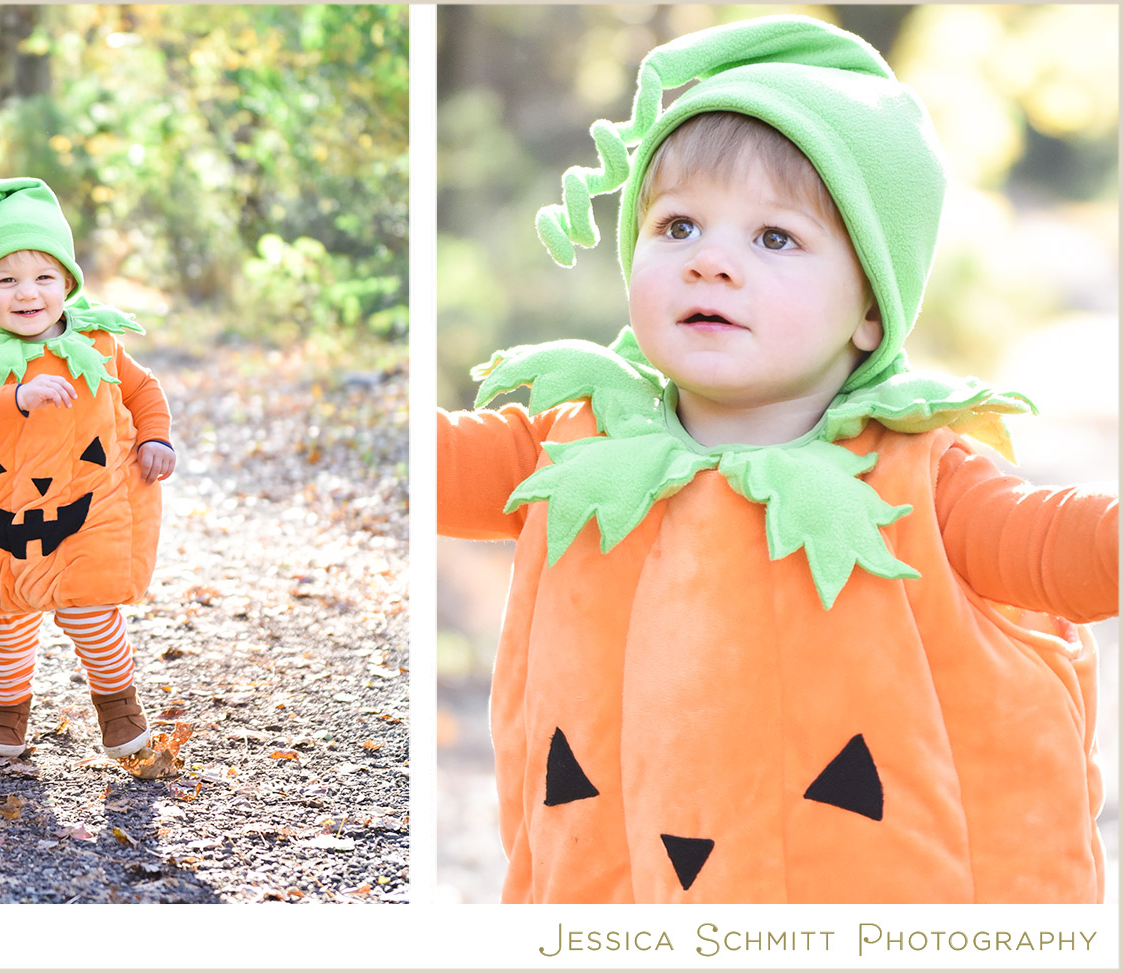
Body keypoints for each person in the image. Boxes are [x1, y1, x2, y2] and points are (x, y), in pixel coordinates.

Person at [438, 14, 1118, 903]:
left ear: (869, 310)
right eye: (677, 226)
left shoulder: (917, 475)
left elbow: (1053, 546)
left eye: (774, 238)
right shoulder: (573, 447)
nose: (710, 262)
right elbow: (433, 464)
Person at [0, 177, 175, 760]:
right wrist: (16, 396)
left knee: (92, 608)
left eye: (43, 277)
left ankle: (118, 707)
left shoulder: (99, 345)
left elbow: (144, 391)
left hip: (87, 505)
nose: (26, 293)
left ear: (67, 282)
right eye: (5, 280)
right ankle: (7, 715)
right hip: (4, 509)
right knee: (9, 618)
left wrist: (156, 438)